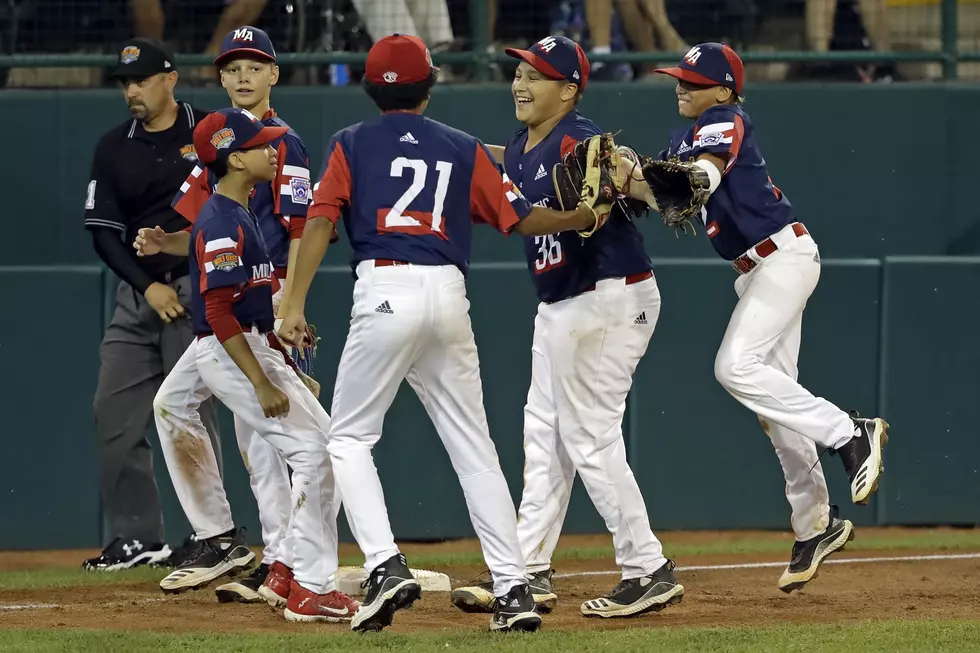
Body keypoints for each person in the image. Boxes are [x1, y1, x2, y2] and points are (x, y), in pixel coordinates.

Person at [276, 34, 615, 633]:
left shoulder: (350, 142)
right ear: (429, 89)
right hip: (448, 295)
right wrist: (584, 216)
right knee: (474, 448)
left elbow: (323, 219)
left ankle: (384, 565)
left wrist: (294, 301)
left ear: (369, 86)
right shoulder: (462, 146)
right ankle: (513, 591)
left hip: (384, 289)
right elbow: (521, 219)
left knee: (348, 439)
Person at [448, 35, 683, 620]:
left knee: (589, 436)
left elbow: (630, 178)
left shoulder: (583, 139)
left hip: (606, 297)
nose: (520, 83)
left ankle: (646, 568)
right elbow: (504, 159)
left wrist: (638, 180)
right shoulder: (528, 146)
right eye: (519, 72)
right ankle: (527, 569)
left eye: (536, 75)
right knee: (544, 436)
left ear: (569, 90)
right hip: (562, 305)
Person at [646, 42, 889, 592]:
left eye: (691, 79)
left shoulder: (725, 118)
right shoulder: (680, 136)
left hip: (784, 257)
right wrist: (623, 179)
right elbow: (662, 188)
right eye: (677, 78)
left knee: (733, 367)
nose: (679, 86)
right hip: (755, 270)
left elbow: (706, 172)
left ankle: (850, 432)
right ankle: (816, 526)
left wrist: (686, 180)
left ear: (724, 88)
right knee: (773, 404)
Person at [140, 107, 359, 622]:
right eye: (261, 146)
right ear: (236, 160)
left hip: (244, 345)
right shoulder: (221, 219)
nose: (271, 151)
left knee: (170, 404)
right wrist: (261, 381)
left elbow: (249, 304)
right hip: (234, 350)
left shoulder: (238, 212)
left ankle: (249, 552)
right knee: (319, 454)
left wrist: (286, 358)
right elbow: (216, 312)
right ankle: (308, 585)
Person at [165, 25, 319, 606]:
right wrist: (162, 241)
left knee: (271, 441)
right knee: (220, 422)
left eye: (255, 66)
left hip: (268, 300)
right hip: (233, 304)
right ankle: (246, 544)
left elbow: (303, 227)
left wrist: (292, 300)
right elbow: (194, 224)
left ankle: (287, 559)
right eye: (233, 68)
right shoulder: (218, 141)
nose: (243, 76)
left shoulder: (283, 143)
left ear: (274, 74)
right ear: (221, 78)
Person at [82, 37, 220, 572]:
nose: (132, 91)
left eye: (140, 80)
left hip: (196, 285)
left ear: (170, 79)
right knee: (111, 412)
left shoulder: (209, 132)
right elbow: (103, 233)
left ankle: (210, 536)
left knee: (193, 415)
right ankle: (139, 537)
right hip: (141, 292)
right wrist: (147, 286)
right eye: (125, 83)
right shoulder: (113, 146)